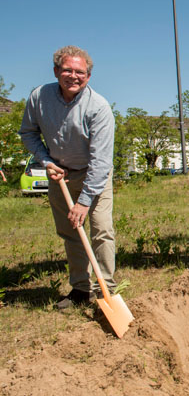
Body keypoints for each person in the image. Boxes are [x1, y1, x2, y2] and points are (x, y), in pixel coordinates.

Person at [19, 45, 116, 309]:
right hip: (59, 175)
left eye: (80, 72)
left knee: (101, 230)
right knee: (71, 232)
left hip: (94, 175)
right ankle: (81, 290)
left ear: (88, 76)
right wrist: (46, 161)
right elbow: (28, 133)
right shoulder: (39, 97)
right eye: (67, 70)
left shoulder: (98, 107)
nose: (73, 76)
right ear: (56, 71)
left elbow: (101, 161)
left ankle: (106, 290)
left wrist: (84, 202)